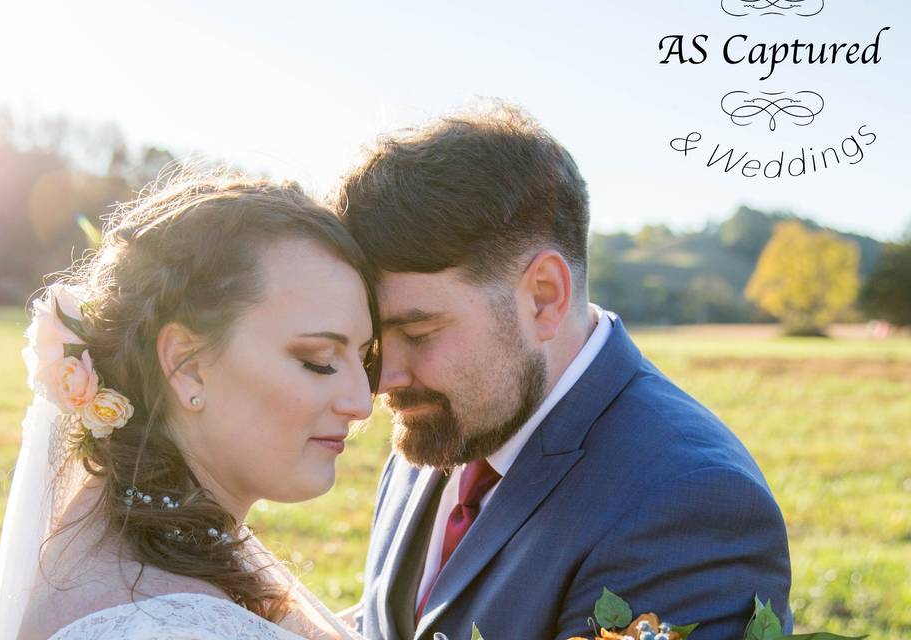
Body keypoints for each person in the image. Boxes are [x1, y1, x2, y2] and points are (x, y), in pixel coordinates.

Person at [336, 102, 794, 640]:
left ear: (544, 296)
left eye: (418, 333)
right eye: (371, 341)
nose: (382, 379)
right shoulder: (442, 419)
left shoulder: (690, 505)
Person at [0, 171, 380, 640]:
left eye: (365, 358)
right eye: (317, 361)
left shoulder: (131, 552)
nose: (361, 404)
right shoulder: (166, 626)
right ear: (187, 365)